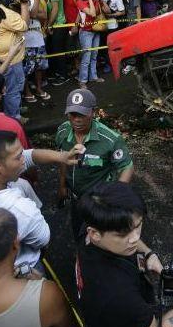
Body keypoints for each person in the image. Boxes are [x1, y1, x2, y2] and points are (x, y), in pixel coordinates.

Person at [77, 181, 173, 327]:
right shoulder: (120, 295)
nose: (135, 238)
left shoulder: (90, 225)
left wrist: (148, 253)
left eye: (138, 225)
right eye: (122, 234)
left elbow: (128, 228)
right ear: (94, 234)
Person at [0, 130, 81, 275]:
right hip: (24, 269)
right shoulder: (20, 210)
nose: (23, 159)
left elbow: (28, 157)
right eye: (18, 157)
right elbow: (43, 240)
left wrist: (62, 157)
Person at [56, 88, 134, 237]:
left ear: (93, 112)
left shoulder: (111, 139)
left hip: (99, 200)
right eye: (72, 115)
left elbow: (127, 167)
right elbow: (62, 159)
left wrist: (115, 198)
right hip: (76, 198)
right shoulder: (62, 132)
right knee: (79, 231)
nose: (77, 120)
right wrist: (62, 185)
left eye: (82, 115)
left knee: (100, 234)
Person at [0, 0, 30, 120]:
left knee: (11, 90)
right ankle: (14, 117)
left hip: (4, 58)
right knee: (13, 89)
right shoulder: (3, 12)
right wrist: (24, 3)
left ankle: (14, 108)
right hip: (10, 59)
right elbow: (24, 25)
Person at [38, 0, 68, 85]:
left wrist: (49, 25)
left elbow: (55, 8)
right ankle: (56, 73)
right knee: (53, 51)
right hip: (51, 23)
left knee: (58, 51)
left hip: (58, 23)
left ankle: (63, 75)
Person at [75, 0, 102, 87]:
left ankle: (93, 76)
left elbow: (97, 12)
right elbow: (92, 13)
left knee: (94, 55)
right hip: (86, 32)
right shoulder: (80, 1)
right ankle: (82, 80)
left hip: (96, 30)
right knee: (86, 57)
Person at [96, 0, 125, 73]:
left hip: (112, 26)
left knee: (111, 47)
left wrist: (110, 15)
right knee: (102, 46)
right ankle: (105, 63)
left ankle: (113, 65)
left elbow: (122, 12)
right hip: (100, 25)